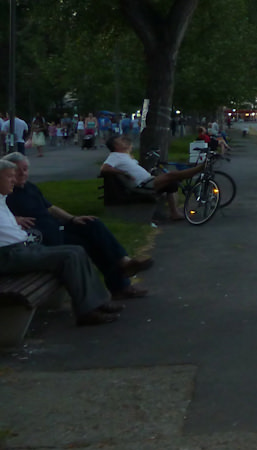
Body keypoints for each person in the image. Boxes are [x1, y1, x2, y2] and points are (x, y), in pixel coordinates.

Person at [3, 152, 150, 300]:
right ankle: (119, 287)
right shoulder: (6, 192)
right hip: (42, 239)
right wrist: (15, 219)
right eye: (16, 171)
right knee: (92, 244)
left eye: (25, 169)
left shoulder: (29, 187)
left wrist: (73, 218)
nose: (22, 173)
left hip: (57, 228)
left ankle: (124, 262)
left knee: (92, 224)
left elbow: (51, 208)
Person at [0, 159, 122, 326]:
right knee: (69, 256)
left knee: (77, 250)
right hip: (8, 255)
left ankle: (99, 302)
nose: (14, 180)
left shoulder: (3, 198)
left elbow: (47, 208)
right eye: (9, 177)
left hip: (22, 247)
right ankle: (87, 312)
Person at [100, 135, 207, 221]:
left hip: (148, 181)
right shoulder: (114, 156)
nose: (125, 142)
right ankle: (198, 169)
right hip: (142, 184)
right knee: (171, 175)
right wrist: (123, 172)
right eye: (121, 141)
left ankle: (174, 213)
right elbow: (104, 168)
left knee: (172, 183)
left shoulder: (124, 156)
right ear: (115, 145)